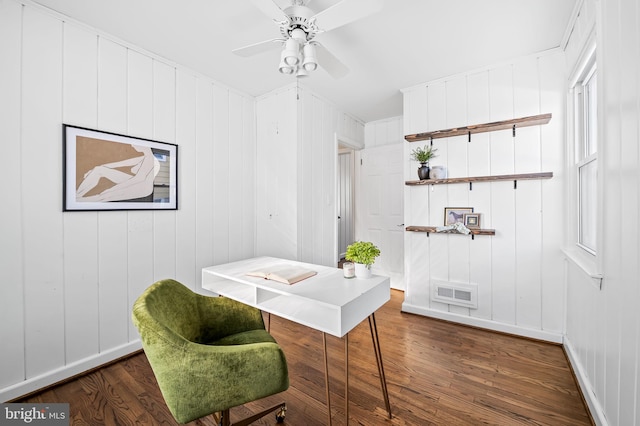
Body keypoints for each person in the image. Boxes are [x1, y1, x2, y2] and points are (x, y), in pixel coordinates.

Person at [76, 144, 160, 202]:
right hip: (134, 182)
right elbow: (120, 164)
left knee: (104, 196)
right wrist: (93, 170)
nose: (132, 145)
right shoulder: (144, 157)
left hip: (141, 188)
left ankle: (78, 200)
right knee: (99, 169)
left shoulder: (150, 159)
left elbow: (138, 179)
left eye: (134, 143)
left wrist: (114, 188)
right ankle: (77, 195)